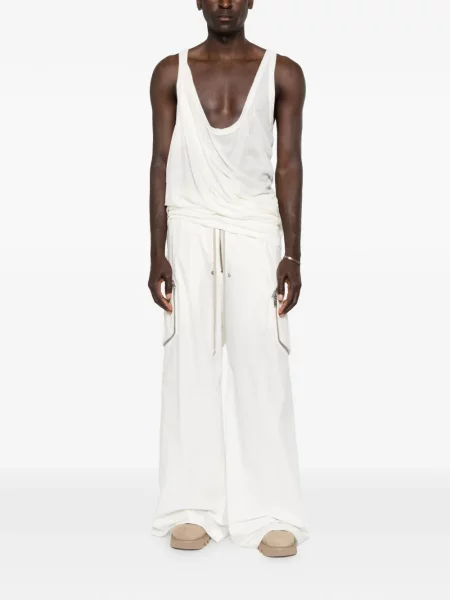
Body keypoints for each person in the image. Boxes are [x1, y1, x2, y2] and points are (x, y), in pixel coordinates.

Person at [148, 0, 309, 558]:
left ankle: (272, 511)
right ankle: (191, 507)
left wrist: (293, 254)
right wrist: (156, 253)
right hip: (190, 228)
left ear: (251, 1)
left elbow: (289, 163)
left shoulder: (283, 73)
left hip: (255, 231)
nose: (224, 3)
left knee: (262, 369)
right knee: (188, 367)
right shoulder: (170, 72)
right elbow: (160, 161)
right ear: (197, 0)